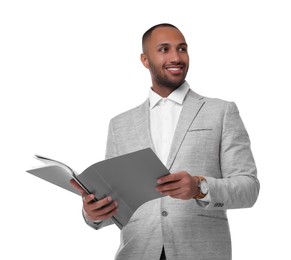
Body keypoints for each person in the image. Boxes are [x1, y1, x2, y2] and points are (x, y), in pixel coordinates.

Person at [71, 23, 260, 260]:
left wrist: (200, 187)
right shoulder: (120, 124)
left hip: (200, 252)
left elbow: (249, 188)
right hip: (137, 252)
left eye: (182, 49)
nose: (176, 57)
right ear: (145, 59)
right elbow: (115, 203)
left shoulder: (221, 112)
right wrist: (93, 213)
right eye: (164, 49)